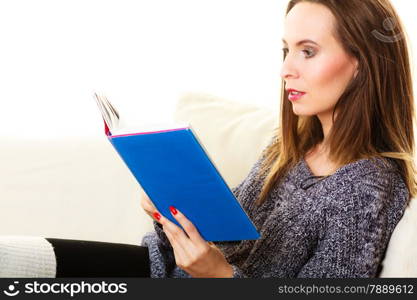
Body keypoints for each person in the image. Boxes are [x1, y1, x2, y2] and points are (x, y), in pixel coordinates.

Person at [47, 0, 415, 278]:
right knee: (20, 261)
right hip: (158, 272)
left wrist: (220, 278)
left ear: (362, 64)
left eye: (308, 51)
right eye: (286, 51)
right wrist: (169, 211)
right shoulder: (286, 150)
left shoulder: (367, 187)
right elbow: (220, 238)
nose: (287, 69)